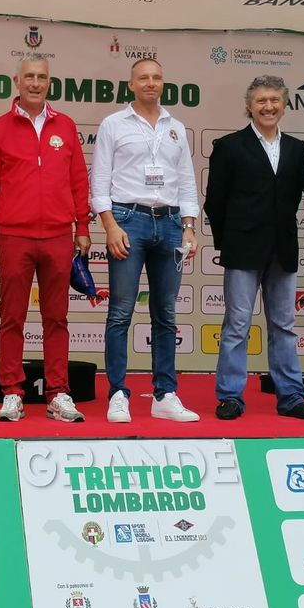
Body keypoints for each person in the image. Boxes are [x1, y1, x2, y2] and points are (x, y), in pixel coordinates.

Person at [0, 55, 90, 423]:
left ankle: (58, 393)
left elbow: (78, 181)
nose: (35, 83)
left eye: (41, 77)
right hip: (14, 237)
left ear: (49, 82)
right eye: (29, 77)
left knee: (56, 318)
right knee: (12, 317)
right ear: (17, 81)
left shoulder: (66, 126)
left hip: (58, 236)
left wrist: (83, 228)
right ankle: (12, 392)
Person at [204, 76, 304, 421]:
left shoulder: (298, 149)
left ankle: (291, 398)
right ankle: (230, 397)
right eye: (261, 101)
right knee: (237, 325)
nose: (268, 106)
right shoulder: (229, 146)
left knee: (284, 325)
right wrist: (228, 242)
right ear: (249, 106)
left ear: (284, 105)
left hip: (283, 249)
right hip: (242, 248)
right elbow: (215, 202)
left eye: (274, 100)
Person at [90, 58, 200, 423]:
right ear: (131, 84)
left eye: (156, 77)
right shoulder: (113, 124)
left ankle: (164, 394)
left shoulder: (176, 127)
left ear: (162, 83)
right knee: (120, 312)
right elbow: (99, 181)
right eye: (143, 78)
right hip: (127, 221)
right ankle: (117, 394)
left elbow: (186, 180)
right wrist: (109, 225)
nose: (150, 83)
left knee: (165, 313)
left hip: (170, 224)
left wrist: (188, 226)